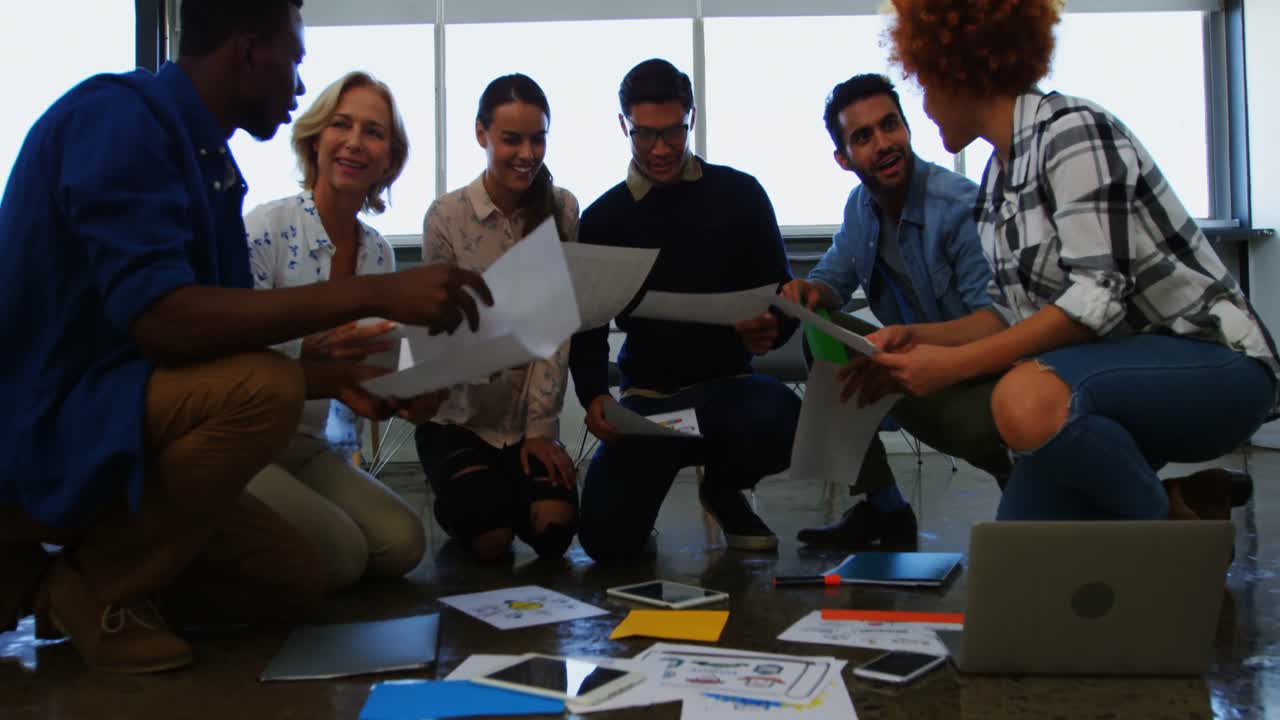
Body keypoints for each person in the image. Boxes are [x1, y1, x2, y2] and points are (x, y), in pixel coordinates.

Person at [0, 0, 491, 673]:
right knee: (263, 389)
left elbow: (219, 350)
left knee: (295, 579)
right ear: (247, 52)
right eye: (293, 62)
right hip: (53, 423)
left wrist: (357, 381)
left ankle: (49, 577)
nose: (296, 86)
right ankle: (101, 586)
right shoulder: (116, 118)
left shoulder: (209, 168)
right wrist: (373, 293)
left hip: (138, 416)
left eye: (373, 132)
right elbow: (167, 322)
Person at [873, 0, 1277, 521]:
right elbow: (1006, 316)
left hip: (1215, 365)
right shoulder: (996, 182)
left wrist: (951, 366)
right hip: (1121, 380)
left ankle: (1173, 532)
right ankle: (1182, 503)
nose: (924, 105)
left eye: (924, 83)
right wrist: (921, 337)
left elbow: (1095, 300)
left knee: (1022, 400)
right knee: (1023, 548)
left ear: (959, 71)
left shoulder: (1071, 130)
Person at [570, 59, 801, 565]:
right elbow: (587, 327)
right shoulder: (604, 217)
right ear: (622, 125)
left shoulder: (740, 195)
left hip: (727, 398)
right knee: (606, 543)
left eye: (673, 131)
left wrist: (773, 327)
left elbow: (783, 297)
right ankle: (644, 496)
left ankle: (722, 488)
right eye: (644, 134)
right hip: (650, 408)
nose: (660, 148)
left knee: (784, 414)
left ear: (691, 118)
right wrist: (592, 396)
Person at [782, 73, 1011, 549]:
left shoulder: (960, 206)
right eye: (863, 137)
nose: (884, 144)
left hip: (991, 378)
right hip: (918, 369)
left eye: (891, 125)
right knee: (821, 333)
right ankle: (885, 510)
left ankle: (1029, 484)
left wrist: (911, 343)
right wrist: (807, 292)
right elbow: (833, 279)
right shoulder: (861, 207)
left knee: (1041, 517)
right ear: (843, 159)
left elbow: (998, 326)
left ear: (908, 128)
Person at [244, 71, 434, 590]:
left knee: (403, 542)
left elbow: (370, 372)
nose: (354, 142)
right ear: (315, 139)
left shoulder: (378, 251)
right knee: (345, 554)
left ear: (390, 159)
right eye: (341, 125)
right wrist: (316, 346)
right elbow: (232, 350)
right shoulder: (265, 227)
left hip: (305, 444)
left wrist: (442, 368)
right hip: (243, 442)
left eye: (373, 132)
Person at [413, 74, 580, 562]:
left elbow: (556, 331)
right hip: (459, 420)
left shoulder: (563, 208)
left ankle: (502, 494)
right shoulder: (445, 217)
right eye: (511, 139)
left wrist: (541, 431)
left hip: (523, 421)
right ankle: (467, 504)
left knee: (553, 533)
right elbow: (440, 334)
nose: (527, 153)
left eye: (538, 138)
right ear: (481, 134)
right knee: (491, 540)